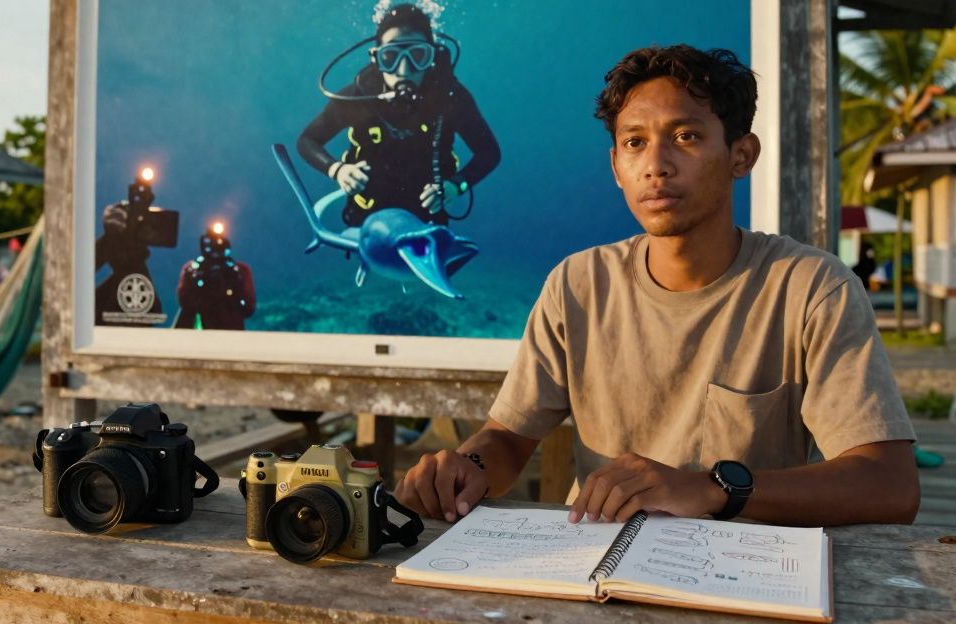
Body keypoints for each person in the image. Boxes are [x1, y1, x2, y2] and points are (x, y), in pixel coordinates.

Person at [394, 45, 919, 528]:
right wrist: (470, 467)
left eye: (686, 137)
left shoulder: (811, 289)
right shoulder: (578, 284)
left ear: (741, 155)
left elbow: (889, 484)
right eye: (634, 143)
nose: (656, 166)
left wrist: (712, 490)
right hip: (593, 562)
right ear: (616, 167)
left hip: (746, 574)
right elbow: (509, 437)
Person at [297, 3, 501, 227]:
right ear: (376, 58)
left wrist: (456, 186)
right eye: (391, 56)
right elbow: (307, 140)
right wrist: (338, 170)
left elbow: (489, 153)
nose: (404, 70)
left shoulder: (450, 97)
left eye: (417, 55)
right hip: (365, 217)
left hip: (427, 222)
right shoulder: (358, 98)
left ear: (431, 58)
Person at [175, 222, 255, 330]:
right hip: (202, 331)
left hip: (231, 330)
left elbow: (248, 308)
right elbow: (186, 304)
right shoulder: (193, 270)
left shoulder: (239, 271)